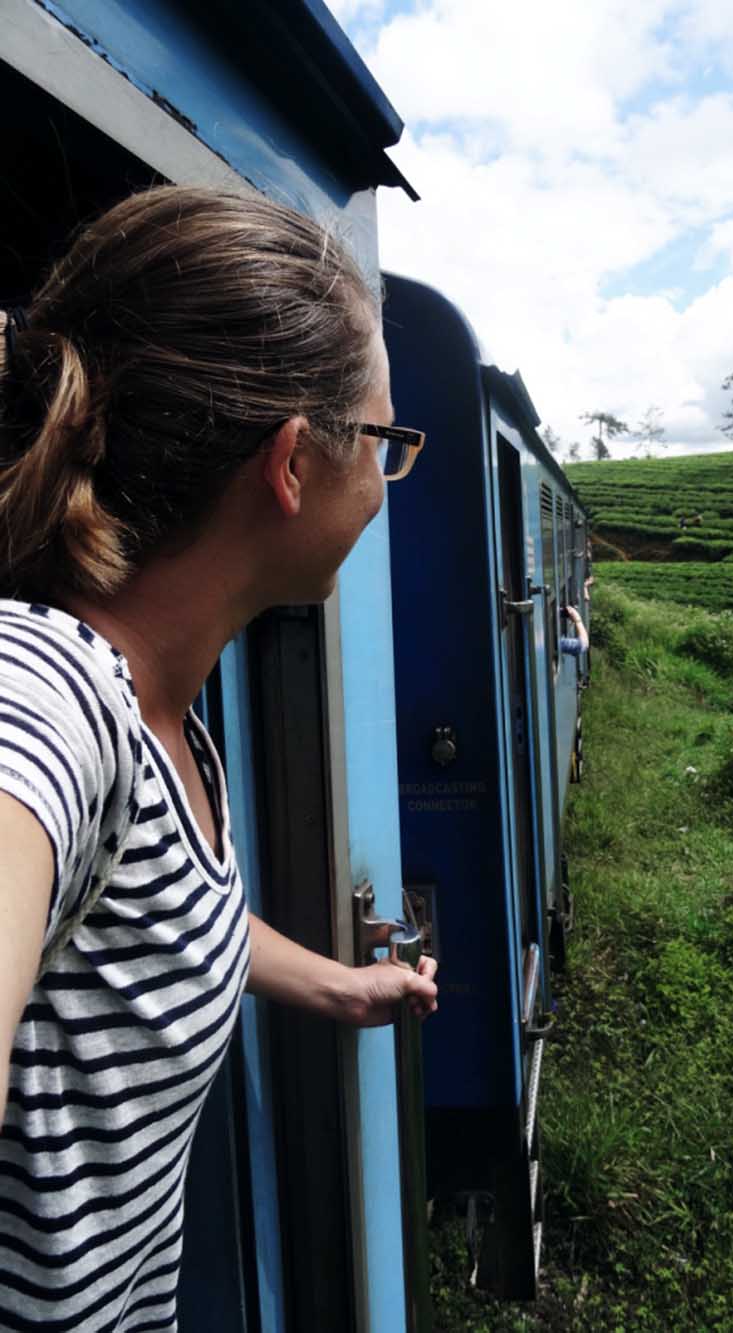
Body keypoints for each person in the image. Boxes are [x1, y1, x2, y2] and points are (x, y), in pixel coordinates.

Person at [0, 186, 438, 1331]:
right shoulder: (48, 694)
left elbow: (154, 919)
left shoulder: (170, 727)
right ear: (294, 464)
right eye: (385, 442)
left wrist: (341, 985)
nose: (388, 492)